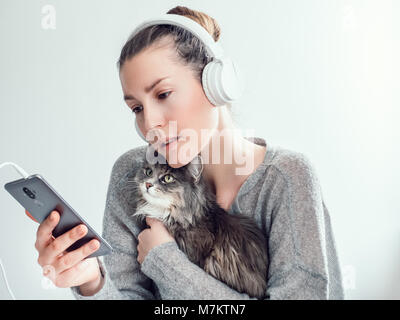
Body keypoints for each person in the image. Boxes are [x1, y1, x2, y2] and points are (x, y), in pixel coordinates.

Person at [33, 5, 345, 299]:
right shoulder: (131, 174)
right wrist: (91, 280)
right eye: (136, 108)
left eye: (164, 94)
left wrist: (166, 262)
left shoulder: (286, 178)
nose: (149, 124)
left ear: (216, 84)